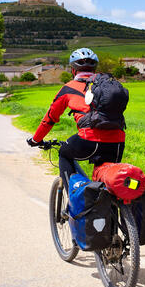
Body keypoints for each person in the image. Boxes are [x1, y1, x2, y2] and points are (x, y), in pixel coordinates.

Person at [27, 48, 125, 190]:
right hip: (117, 141)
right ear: (95, 68)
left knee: (64, 153)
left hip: (88, 140)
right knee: (109, 184)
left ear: (73, 70)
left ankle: (72, 203)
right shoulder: (108, 86)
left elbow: (50, 119)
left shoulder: (69, 88)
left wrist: (36, 140)